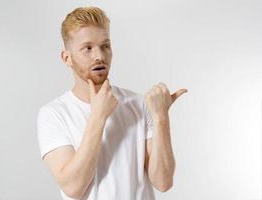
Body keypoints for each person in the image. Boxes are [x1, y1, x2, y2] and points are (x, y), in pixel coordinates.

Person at [36, 6, 187, 200]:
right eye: (87, 48)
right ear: (67, 58)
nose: (99, 55)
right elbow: (73, 187)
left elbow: (163, 182)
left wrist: (161, 117)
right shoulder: (53, 114)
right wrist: (98, 116)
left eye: (105, 46)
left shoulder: (138, 104)